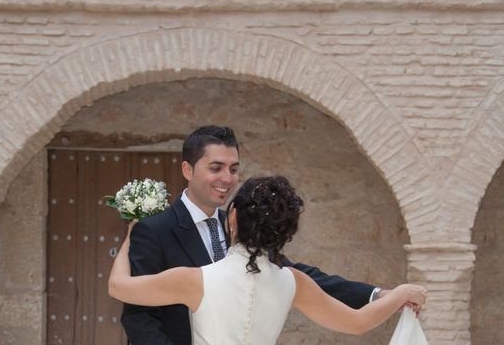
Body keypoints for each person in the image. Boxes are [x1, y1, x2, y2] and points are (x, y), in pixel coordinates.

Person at [120, 125, 396, 345]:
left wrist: (374, 294)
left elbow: (300, 275)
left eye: (234, 169)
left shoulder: (247, 227)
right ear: (187, 170)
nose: (227, 179)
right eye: (216, 168)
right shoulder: (153, 230)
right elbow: (139, 318)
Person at [110, 175, 427, 345]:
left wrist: (129, 238)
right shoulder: (294, 282)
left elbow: (119, 287)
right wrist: (400, 293)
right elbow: (358, 323)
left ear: (232, 217)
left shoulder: (194, 279)